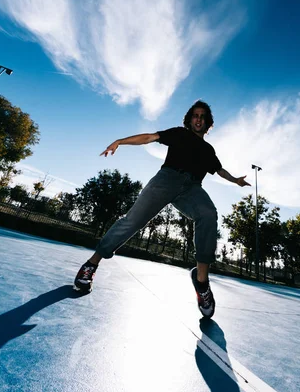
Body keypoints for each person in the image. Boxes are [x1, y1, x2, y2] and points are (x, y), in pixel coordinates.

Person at [74, 101, 250, 317]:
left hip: (192, 188)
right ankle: (92, 264)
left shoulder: (208, 150)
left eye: (202, 117)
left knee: (208, 214)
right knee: (133, 221)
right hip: (166, 180)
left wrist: (235, 181)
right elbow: (149, 137)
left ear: (207, 123)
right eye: (195, 115)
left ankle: (201, 282)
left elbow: (218, 169)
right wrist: (120, 141)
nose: (198, 119)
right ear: (189, 119)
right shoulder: (179, 134)